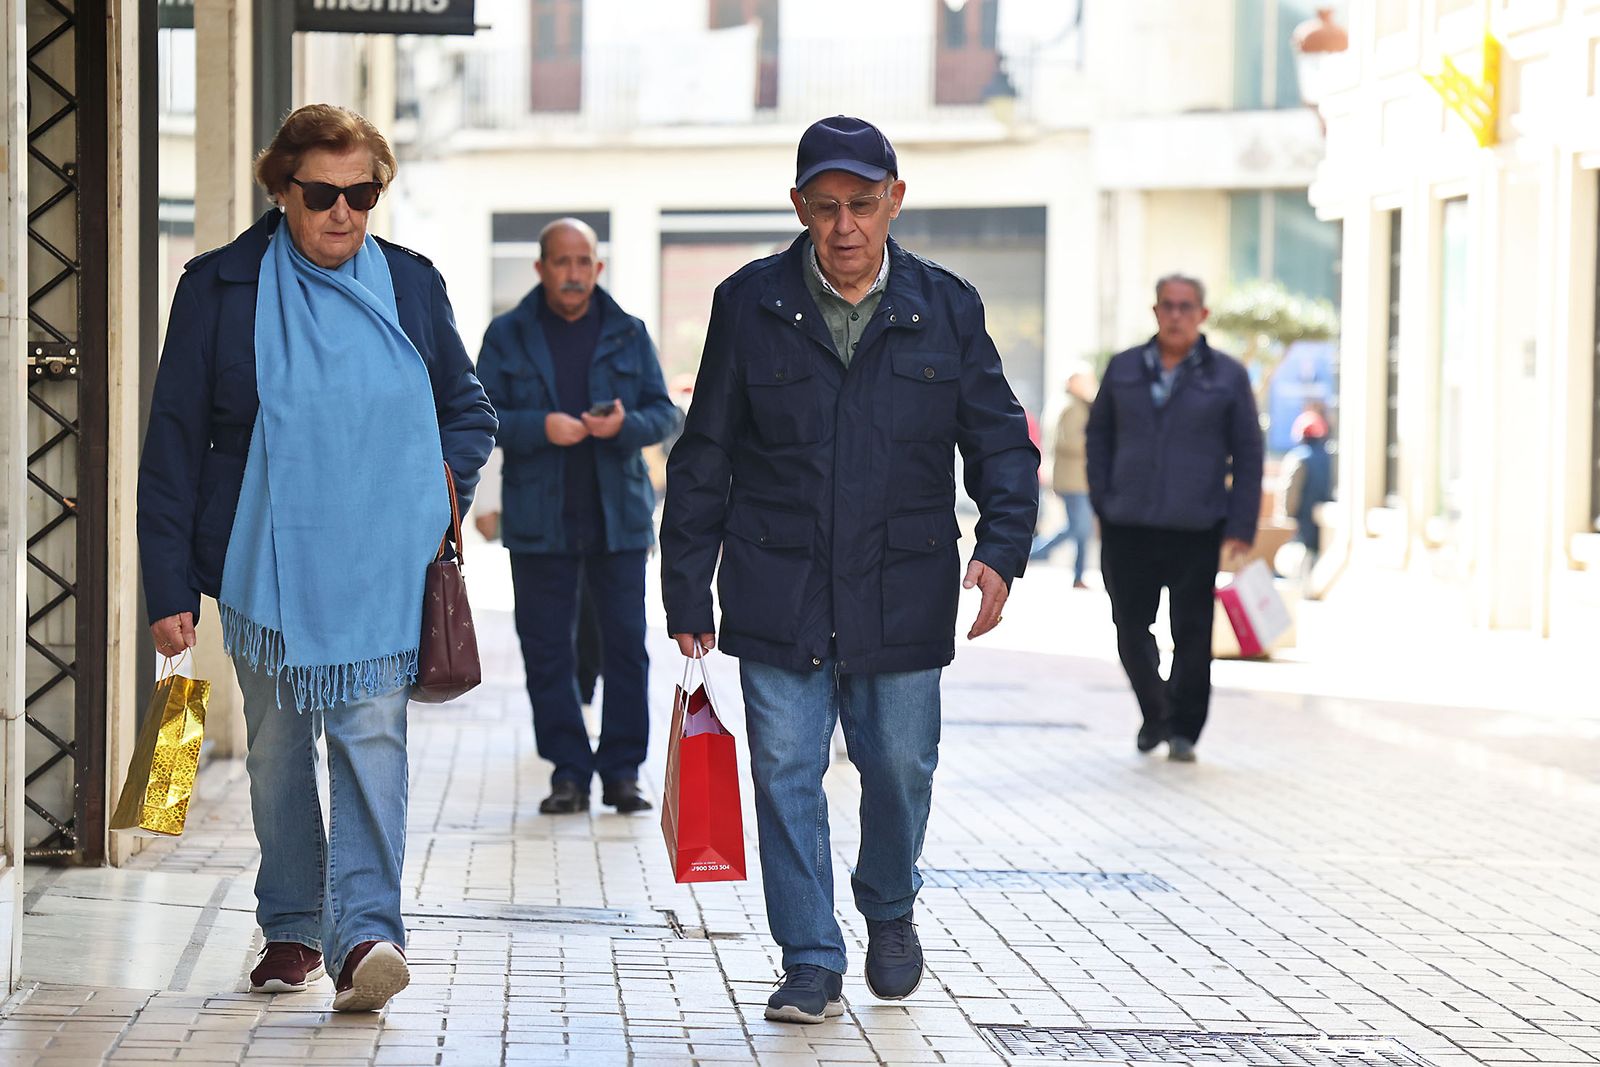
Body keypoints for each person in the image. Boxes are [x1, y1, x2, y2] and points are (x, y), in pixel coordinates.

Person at [661, 115, 1038, 1024]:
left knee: (900, 763)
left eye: (862, 205)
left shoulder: (946, 305)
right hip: (777, 581)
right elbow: (704, 451)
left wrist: (999, 549)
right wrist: (686, 584)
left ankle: (889, 905)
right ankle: (809, 956)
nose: (844, 226)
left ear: (894, 201)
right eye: (825, 206)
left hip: (901, 583)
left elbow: (1001, 442)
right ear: (798, 206)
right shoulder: (746, 304)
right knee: (786, 766)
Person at [136, 104, 496, 1011]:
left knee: (372, 743)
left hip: (383, 565)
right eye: (323, 193)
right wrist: (167, 584)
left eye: (362, 193)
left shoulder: (411, 286)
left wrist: (434, 488)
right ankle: (293, 923)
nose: (343, 211)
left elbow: (468, 409)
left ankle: (367, 934)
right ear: (281, 190)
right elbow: (174, 442)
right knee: (277, 751)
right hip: (262, 566)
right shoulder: (219, 288)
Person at [476, 218, 679, 816]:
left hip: (618, 519)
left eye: (582, 262)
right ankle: (568, 771)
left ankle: (622, 773)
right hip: (540, 522)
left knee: (626, 647)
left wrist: (625, 428)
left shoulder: (627, 332)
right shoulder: (509, 334)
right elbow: (477, 414)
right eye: (560, 263)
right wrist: (540, 426)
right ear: (540, 269)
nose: (572, 273)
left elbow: (664, 415)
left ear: (598, 267)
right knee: (547, 650)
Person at [1086, 273, 1263, 764]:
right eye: (1168, 305)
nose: (1177, 315)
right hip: (1128, 524)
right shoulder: (1123, 369)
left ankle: (1184, 728)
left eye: (1186, 307)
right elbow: (1098, 437)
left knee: (1191, 634)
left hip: (1197, 525)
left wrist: (1241, 528)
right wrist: (1103, 497)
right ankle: (1156, 710)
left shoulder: (1227, 375)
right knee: (1129, 626)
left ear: (1202, 315)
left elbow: (1248, 455)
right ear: (1156, 311)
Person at [1030, 366, 1098, 587]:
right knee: (1078, 528)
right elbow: (1068, 441)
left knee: (1079, 528)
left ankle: (1078, 575)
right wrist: (1097, 443)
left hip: (1074, 477)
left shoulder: (1069, 404)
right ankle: (1030, 553)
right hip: (1073, 478)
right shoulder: (1071, 406)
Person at [1280, 408, 1333, 567]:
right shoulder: (1328, 458)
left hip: (1303, 526)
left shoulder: (1297, 458)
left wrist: (1287, 519)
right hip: (1323, 526)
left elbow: (1290, 493)